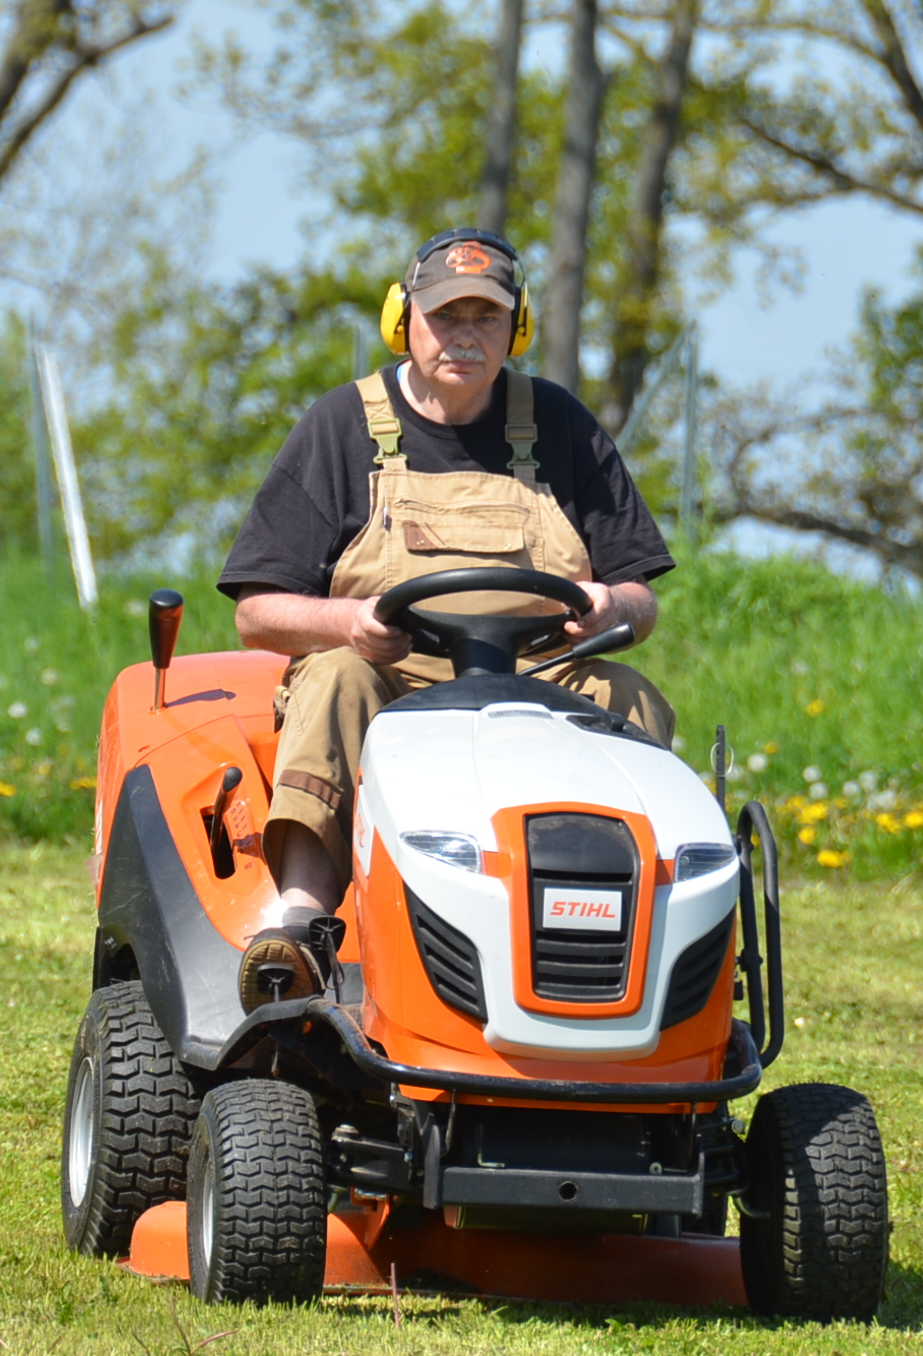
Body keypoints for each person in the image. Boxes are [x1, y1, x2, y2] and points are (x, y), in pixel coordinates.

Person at [216, 228, 677, 1007]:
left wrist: (612, 604)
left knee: (624, 694)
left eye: (486, 317)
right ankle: (301, 924)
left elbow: (641, 598)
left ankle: (634, 929)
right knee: (334, 678)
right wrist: (349, 623)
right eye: (446, 316)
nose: (465, 336)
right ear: (404, 320)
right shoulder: (343, 425)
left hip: (537, 678)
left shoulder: (560, 424)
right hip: (391, 679)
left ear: (516, 327)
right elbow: (257, 614)